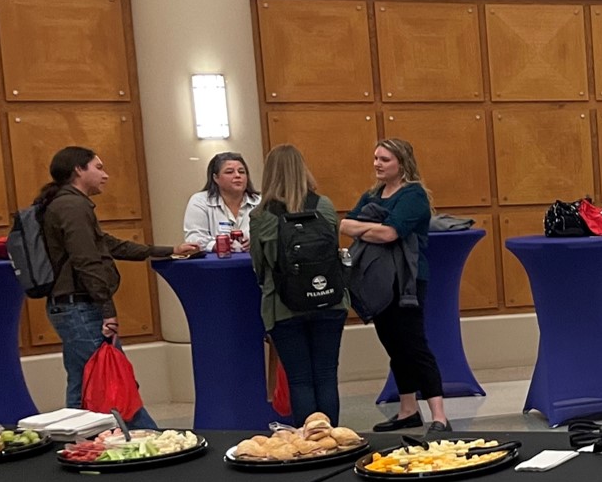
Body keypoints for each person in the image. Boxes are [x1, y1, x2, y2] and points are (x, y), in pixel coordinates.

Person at [37, 146, 199, 422]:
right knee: (114, 382)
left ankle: (73, 447)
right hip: (81, 309)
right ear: (79, 170)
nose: (106, 175)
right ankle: (152, 446)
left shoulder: (66, 204)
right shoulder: (73, 206)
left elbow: (108, 244)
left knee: (82, 386)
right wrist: (107, 310)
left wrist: (168, 249)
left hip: (69, 307)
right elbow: (87, 261)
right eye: (98, 167)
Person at [342, 138, 447, 432]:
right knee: (394, 346)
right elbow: (344, 225)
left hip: (406, 280)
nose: (377, 164)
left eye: (384, 159)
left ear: (402, 163)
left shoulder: (413, 195)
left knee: (414, 344)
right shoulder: (372, 194)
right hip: (377, 280)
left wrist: (372, 228)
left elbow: (390, 233)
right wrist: (373, 229)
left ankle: (439, 415)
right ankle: (407, 410)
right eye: (375, 158)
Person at [251, 145, 347, 424]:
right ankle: (332, 443)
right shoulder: (325, 205)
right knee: (327, 374)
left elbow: (259, 266)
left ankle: (310, 447)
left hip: (283, 307)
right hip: (330, 300)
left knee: (300, 379)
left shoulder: (261, 216)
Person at [181, 152, 260, 253]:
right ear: (215, 178)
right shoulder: (200, 201)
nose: (237, 175)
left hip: (253, 264)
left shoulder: (260, 202)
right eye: (229, 172)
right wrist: (215, 245)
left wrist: (256, 243)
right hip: (215, 264)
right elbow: (193, 237)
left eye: (241, 172)